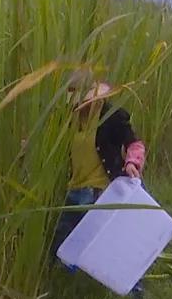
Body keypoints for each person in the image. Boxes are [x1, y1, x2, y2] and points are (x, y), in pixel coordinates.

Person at [49, 72, 146, 260]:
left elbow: (135, 144)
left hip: (99, 190)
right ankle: (65, 279)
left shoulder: (111, 116)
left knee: (106, 242)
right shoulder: (69, 118)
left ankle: (128, 280)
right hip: (74, 188)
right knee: (63, 239)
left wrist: (132, 162)